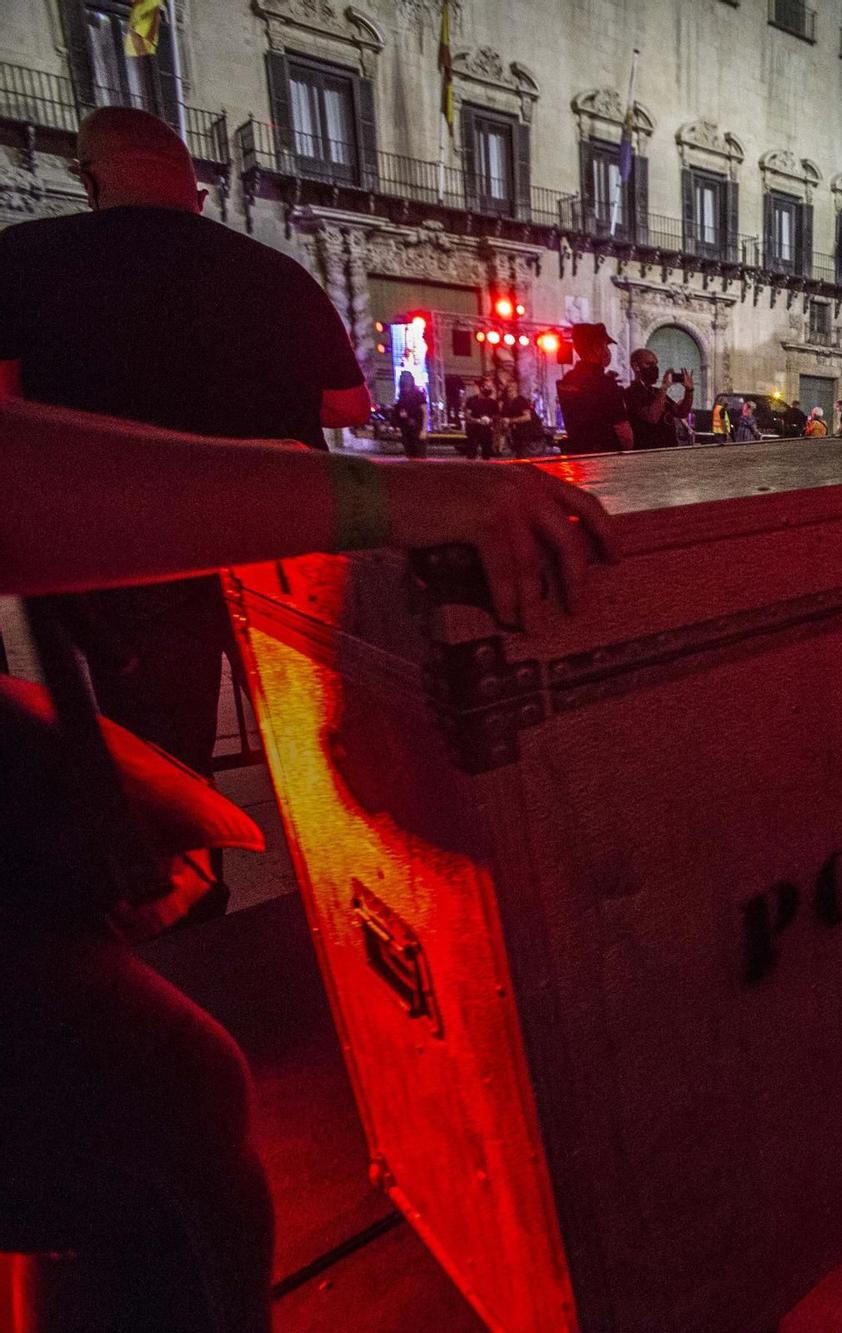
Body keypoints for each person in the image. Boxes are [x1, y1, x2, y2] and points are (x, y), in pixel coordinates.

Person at [0, 396, 609, 1333]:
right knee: (157, 1115)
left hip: (184, 601)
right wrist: (396, 497)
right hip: (210, 580)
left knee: (156, 1101)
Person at [0, 105, 370, 790]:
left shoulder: (19, 259)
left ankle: (194, 889)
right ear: (194, 193)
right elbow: (350, 405)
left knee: (166, 763)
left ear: (89, 179)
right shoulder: (276, 274)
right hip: (279, 543)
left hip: (134, 552)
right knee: (321, 749)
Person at [555, 323, 629, 454]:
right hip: (606, 457)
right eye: (606, 345)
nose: (607, 350)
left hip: (579, 455)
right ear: (597, 348)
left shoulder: (567, 379)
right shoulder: (606, 384)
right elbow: (624, 434)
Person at [624, 348, 673, 450]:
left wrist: (689, 391)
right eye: (649, 364)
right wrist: (664, 387)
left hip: (666, 449)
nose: (654, 368)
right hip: (647, 451)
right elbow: (652, 417)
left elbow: (681, 411)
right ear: (636, 366)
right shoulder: (631, 392)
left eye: (655, 365)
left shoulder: (655, 392)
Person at [500, 375, 545, 457]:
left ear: (516, 389)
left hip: (531, 437)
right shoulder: (506, 404)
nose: (510, 391)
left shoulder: (521, 401)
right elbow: (505, 421)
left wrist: (510, 421)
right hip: (520, 438)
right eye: (508, 388)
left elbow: (527, 417)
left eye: (512, 388)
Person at [389, 372, 428, 459]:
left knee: (419, 456)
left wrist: (424, 430)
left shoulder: (418, 394)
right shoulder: (401, 395)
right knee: (410, 455)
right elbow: (398, 412)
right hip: (406, 429)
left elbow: (425, 412)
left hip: (417, 428)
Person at [462, 376, 500, 459]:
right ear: (481, 387)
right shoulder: (472, 400)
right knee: (471, 454)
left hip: (486, 432)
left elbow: (496, 417)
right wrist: (478, 421)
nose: (489, 389)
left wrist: (490, 420)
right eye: (487, 386)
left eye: (491, 387)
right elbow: (467, 415)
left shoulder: (493, 403)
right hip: (473, 431)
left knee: (486, 454)